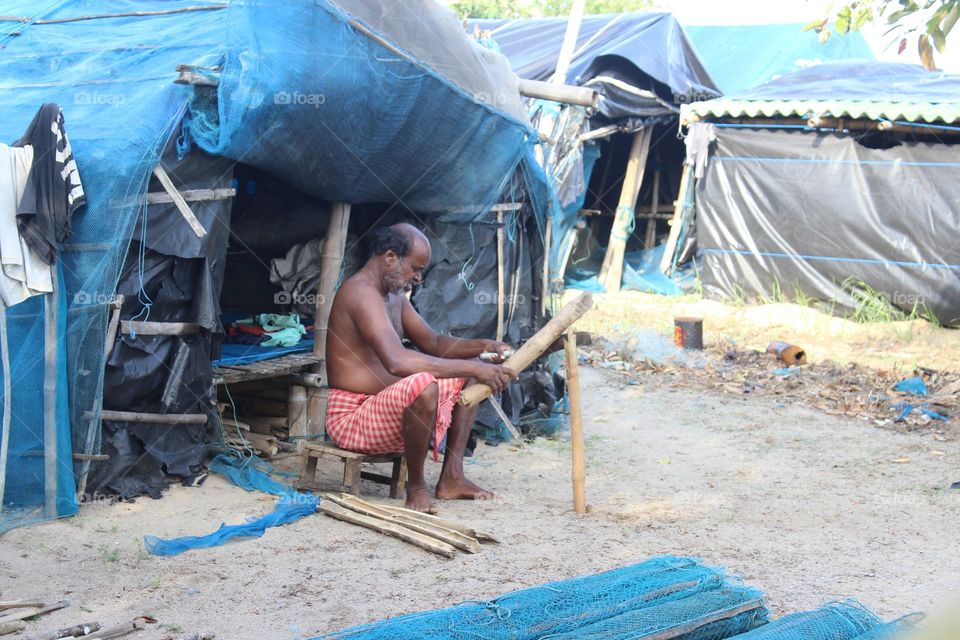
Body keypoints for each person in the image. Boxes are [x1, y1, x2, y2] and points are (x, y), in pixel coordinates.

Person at [325, 223, 515, 513]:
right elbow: (397, 361)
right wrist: (474, 368)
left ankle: (452, 478)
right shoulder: (359, 293)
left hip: (384, 407)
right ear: (390, 257)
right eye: (415, 268)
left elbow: (434, 342)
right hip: (352, 417)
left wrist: (483, 346)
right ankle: (415, 488)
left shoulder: (395, 299)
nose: (418, 278)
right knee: (424, 386)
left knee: (467, 374)